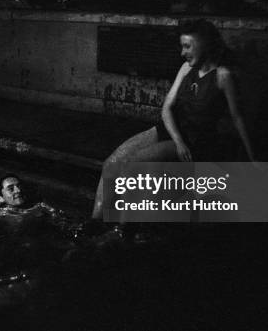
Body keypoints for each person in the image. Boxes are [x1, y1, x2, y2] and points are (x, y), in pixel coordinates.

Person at [92, 19, 256, 219]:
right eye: (182, 46)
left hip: (193, 138)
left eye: (187, 46)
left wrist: (252, 159)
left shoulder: (223, 76)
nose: (182, 52)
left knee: (134, 166)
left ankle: (125, 230)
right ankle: (95, 223)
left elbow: (238, 118)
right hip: (172, 131)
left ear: (204, 44)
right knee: (111, 164)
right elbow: (167, 108)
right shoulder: (186, 68)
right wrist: (177, 140)